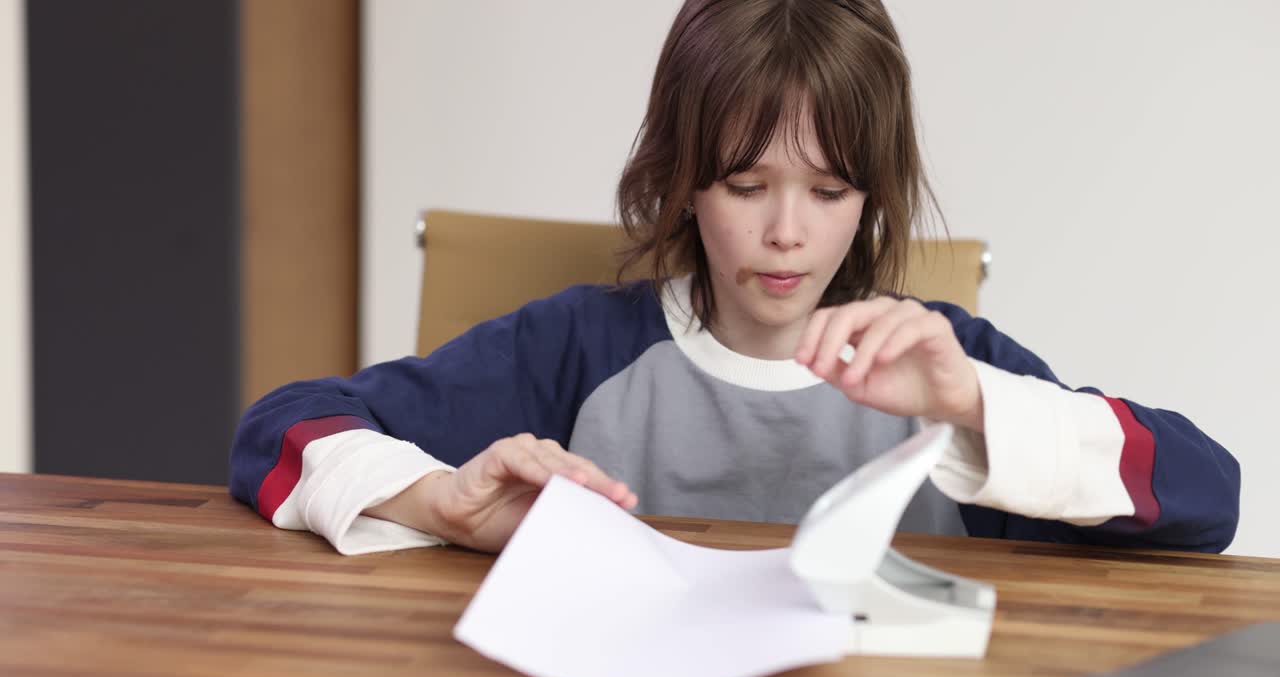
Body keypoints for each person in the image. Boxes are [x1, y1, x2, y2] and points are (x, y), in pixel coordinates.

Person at [229, 0, 1239, 556]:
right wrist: (443, 501)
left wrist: (973, 403)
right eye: (745, 183)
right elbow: (280, 428)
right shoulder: (580, 348)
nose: (786, 234)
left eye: (830, 189)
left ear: (873, 198)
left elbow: (1206, 496)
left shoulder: (946, 367)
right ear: (680, 181)